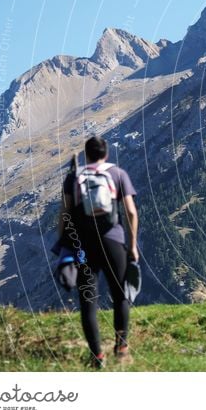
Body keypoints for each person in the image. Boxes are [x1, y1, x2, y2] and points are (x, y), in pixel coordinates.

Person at [57, 136, 139, 368]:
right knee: (120, 294)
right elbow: (131, 212)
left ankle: (97, 357)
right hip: (113, 241)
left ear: (86, 154)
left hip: (83, 247)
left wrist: (64, 243)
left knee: (88, 300)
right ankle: (121, 347)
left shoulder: (74, 177)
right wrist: (132, 245)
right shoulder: (118, 174)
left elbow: (64, 212)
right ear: (106, 154)